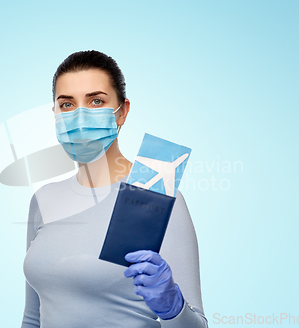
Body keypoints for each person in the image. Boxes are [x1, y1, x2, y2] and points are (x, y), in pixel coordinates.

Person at [21, 50, 208, 327]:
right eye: (67, 104)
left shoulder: (153, 193)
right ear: (56, 114)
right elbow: (32, 317)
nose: (81, 117)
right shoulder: (43, 198)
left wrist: (173, 308)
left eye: (96, 101)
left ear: (122, 112)